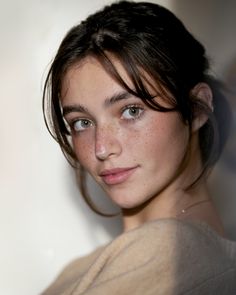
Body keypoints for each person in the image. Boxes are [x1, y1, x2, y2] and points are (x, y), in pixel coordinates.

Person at [41, 1, 236, 294]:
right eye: (82, 122)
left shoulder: (173, 252)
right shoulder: (86, 266)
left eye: (131, 111)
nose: (101, 148)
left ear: (197, 109)